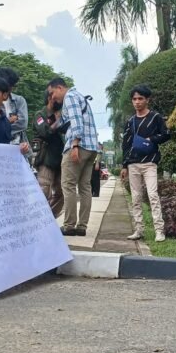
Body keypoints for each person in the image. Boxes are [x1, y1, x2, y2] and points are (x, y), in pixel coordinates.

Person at [47, 78, 99, 236]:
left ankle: (69, 225)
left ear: (60, 87)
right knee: (85, 188)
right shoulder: (80, 97)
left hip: (78, 146)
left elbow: (76, 122)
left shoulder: (70, 97)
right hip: (91, 148)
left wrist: (75, 144)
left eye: (52, 93)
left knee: (68, 186)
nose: (52, 97)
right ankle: (82, 227)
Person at [121, 85, 171, 242]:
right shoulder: (130, 121)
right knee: (135, 198)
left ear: (147, 100)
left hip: (150, 163)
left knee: (152, 195)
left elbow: (166, 134)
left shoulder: (155, 117)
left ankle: (159, 230)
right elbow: (126, 143)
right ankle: (139, 230)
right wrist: (124, 165)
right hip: (133, 164)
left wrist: (151, 139)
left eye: (140, 98)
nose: (137, 102)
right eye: (134, 99)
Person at [32, 90, 67, 217]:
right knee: (43, 190)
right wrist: (57, 120)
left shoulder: (61, 115)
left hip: (59, 157)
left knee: (62, 192)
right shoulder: (40, 115)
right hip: (45, 157)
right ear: (49, 97)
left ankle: (49, 218)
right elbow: (45, 132)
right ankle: (38, 218)